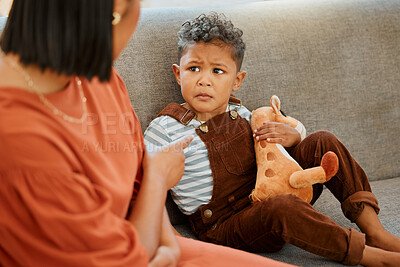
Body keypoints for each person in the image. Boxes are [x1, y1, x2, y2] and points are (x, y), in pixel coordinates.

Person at [0, 1, 292, 266]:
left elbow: (138, 185)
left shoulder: (100, 76)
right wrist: (159, 178)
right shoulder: (21, 142)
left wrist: (168, 244)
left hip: (149, 241)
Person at [143, 12, 400, 266]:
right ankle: (364, 254)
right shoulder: (165, 127)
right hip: (225, 224)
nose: (204, 80)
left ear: (237, 80)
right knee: (282, 207)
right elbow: (143, 188)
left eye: (218, 71)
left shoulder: (244, 114)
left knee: (322, 140)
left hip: (272, 191)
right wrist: (174, 240)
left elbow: (275, 157)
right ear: (178, 74)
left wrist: (294, 139)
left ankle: (375, 232)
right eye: (194, 68)